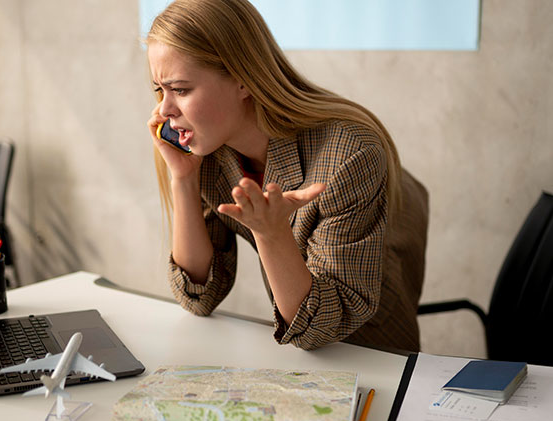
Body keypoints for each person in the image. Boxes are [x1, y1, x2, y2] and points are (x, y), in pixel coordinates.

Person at [146, 0, 428, 352]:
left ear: (242, 79)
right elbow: (199, 295)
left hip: (371, 344)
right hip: (306, 345)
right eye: (160, 89)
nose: (164, 110)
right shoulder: (210, 154)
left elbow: (318, 329)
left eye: (181, 90)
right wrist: (183, 179)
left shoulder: (349, 155)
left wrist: (271, 233)